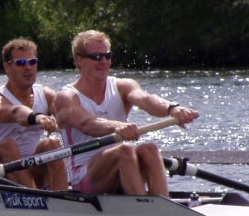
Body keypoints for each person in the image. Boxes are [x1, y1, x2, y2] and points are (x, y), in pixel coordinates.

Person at [54, 30, 199, 196]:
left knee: (149, 149)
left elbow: (147, 100)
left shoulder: (123, 86)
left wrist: (172, 108)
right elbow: (86, 124)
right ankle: (143, 209)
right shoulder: (66, 97)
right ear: (80, 60)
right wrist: (117, 126)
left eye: (107, 56)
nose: (104, 62)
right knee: (125, 149)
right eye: (96, 57)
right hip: (84, 176)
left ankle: (162, 205)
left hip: (122, 166)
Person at [0, 38, 68, 191]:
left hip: (31, 169)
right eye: (21, 63)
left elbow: (66, 114)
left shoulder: (46, 94)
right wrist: (37, 117)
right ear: (7, 67)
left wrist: (68, 122)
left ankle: (63, 200)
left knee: (52, 143)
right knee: (7, 145)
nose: (28, 67)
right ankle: (34, 200)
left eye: (32, 62)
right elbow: (16, 112)